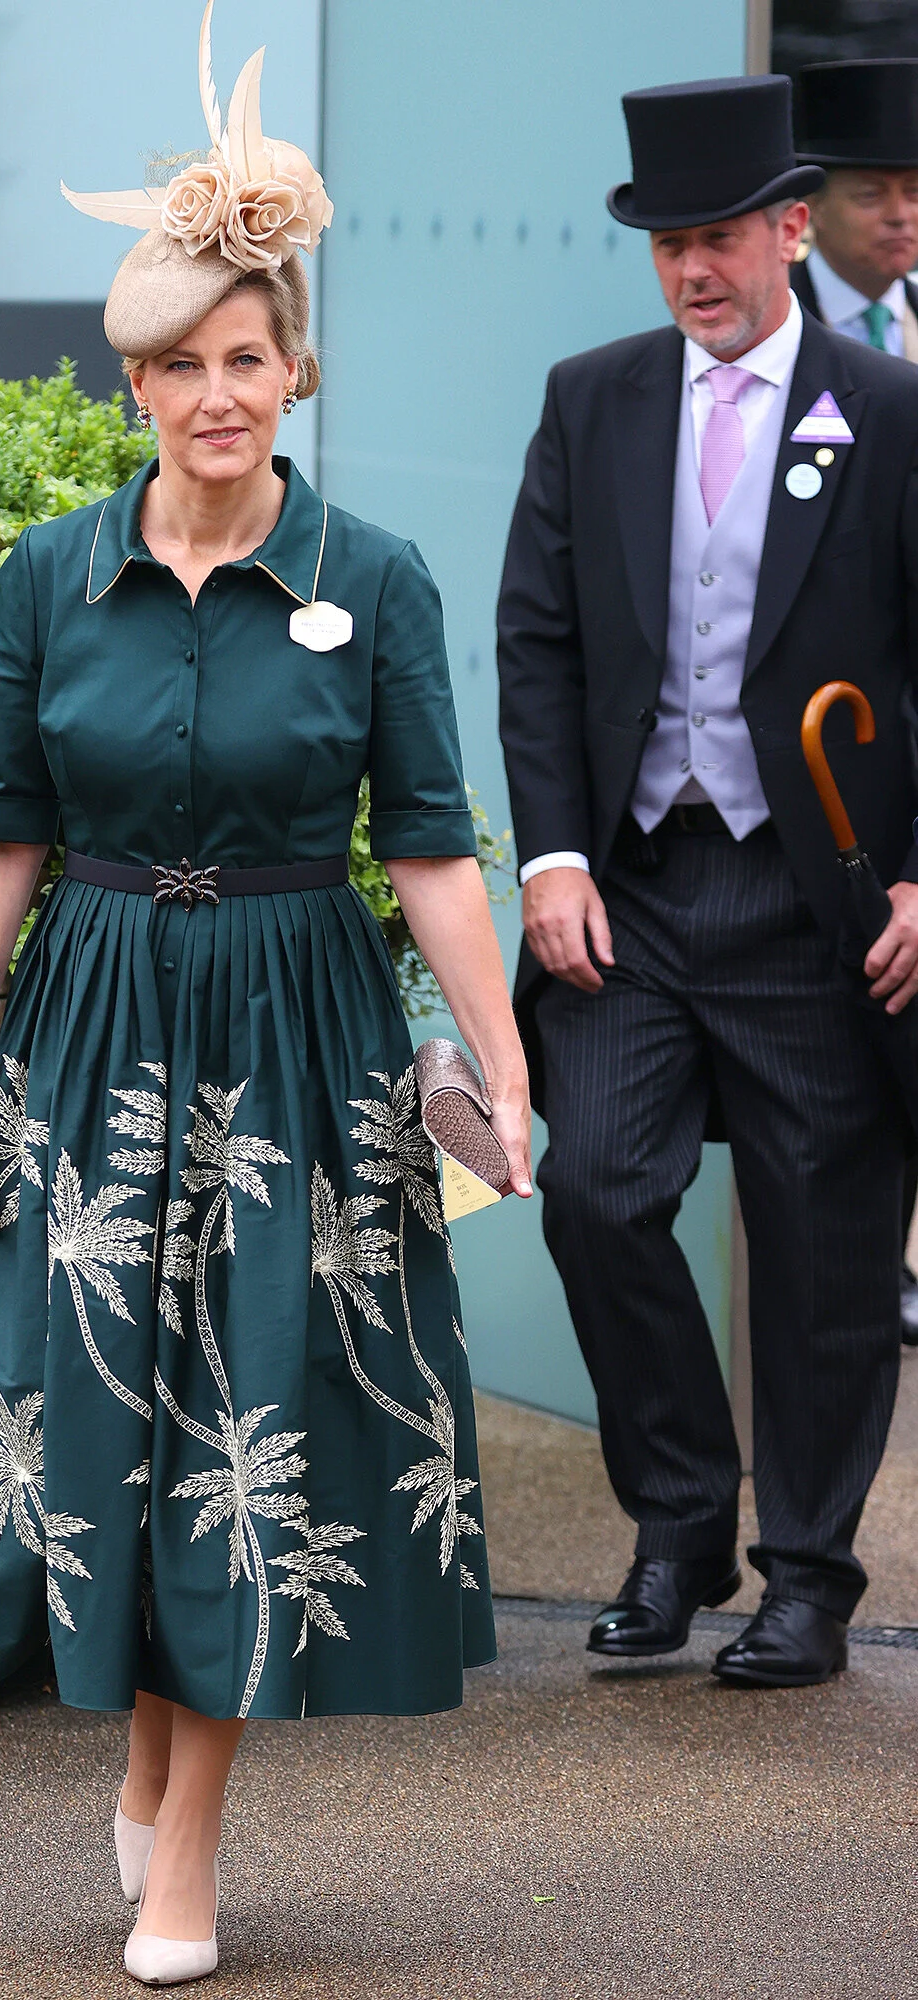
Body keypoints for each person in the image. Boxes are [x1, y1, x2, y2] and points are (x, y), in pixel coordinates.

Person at [0, 6, 529, 1985]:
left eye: (241, 359)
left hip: (299, 1030)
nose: (212, 395)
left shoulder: (377, 576)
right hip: (92, 1020)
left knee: (258, 1425)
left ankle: (187, 1842)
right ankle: (140, 1739)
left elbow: (429, 845)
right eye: (176, 365)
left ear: (294, 365)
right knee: (116, 1419)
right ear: (133, 379)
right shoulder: (48, 579)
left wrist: (500, 1057)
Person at [497, 74, 918, 1690]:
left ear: (787, 233)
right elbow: (535, 639)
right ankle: (675, 1523)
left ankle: (802, 1577)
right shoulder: (588, 399)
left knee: (819, 1240)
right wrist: (545, 853)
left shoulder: (882, 418)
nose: (691, 269)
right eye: (667, 241)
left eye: (719, 236)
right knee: (592, 1188)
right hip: (634, 889)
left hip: (817, 898)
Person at [791, 57, 918, 1346]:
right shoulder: (778, 338)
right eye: (877, 191)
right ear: (812, 206)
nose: (904, 214)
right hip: (818, 747)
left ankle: (889, 1252)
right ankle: (861, 1268)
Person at [791, 59, 918, 361]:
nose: (898, 215)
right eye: (870, 195)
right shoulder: (770, 327)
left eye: (914, 192)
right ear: (813, 206)